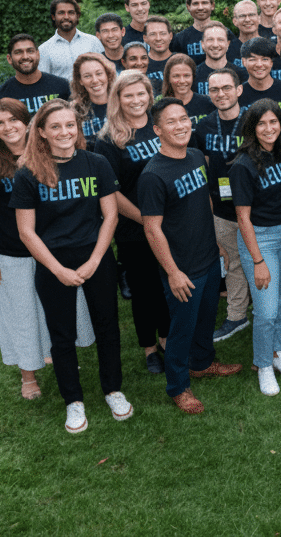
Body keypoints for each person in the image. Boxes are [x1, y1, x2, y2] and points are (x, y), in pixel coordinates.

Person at [12, 99, 127, 433]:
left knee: (107, 326)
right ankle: (73, 401)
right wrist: (57, 270)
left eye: (70, 125)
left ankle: (113, 389)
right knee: (61, 336)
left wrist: (95, 259)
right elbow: (26, 232)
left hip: (97, 257)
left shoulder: (97, 162)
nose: (64, 132)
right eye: (56, 127)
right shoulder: (29, 173)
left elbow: (111, 216)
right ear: (43, 133)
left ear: (78, 128)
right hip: (53, 263)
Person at [0, 99, 95, 401]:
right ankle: (28, 374)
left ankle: (59, 355)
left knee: (60, 310)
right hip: (15, 255)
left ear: (29, 123)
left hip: (55, 251)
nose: (8, 127)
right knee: (23, 315)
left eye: (13, 120)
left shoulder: (53, 157)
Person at [140, 98, 243, 415]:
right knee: (180, 331)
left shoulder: (197, 156)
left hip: (209, 258)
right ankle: (178, 387)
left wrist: (216, 243)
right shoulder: (153, 175)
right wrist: (172, 272)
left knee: (205, 319)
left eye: (184, 118)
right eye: (171, 121)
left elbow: (204, 205)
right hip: (183, 268)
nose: (181, 125)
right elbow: (152, 229)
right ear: (157, 130)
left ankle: (202, 364)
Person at [94, 72, 170, 374]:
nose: (136, 101)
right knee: (143, 289)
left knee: (166, 283)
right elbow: (111, 191)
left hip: (168, 222)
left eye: (141, 94)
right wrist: (146, 220)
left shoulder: (159, 125)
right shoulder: (109, 140)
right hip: (134, 227)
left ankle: (167, 338)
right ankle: (149, 348)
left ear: (149, 95)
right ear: (118, 99)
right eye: (129, 95)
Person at [230, 99, 281, 396]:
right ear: (252, 128)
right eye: (261, 123)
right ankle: (262, 365)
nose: (269, 128)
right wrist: (258, 260)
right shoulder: (243, 165)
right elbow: (243, 218)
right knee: (265, 310)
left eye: (273, 122)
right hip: (260, 239)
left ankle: (278, 353)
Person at [190, 68, 251, 344]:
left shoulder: (256, 119)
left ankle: (266, 310)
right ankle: (237, 315)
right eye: (214, 90)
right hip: (222, 208)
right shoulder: (203, 126)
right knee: (234, 261)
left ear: (239, 90)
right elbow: (203, 167)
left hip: (256, 208)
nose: (221, 94)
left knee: (262, 260)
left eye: (226, 88)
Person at [0, 34, 71, 114]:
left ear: (38, 55)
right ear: (9, 59)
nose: (25, 56)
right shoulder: (0, 96)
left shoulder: (62, 86)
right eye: (18, 52)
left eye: (30, 51)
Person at [238, 37, 281, 123]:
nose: (259, 64)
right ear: (243, 62)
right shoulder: (238, 94)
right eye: (253, 59)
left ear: (271, 62)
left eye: (265, 59)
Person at [38, 0, 101, 79]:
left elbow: (104, 71)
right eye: (61, 13)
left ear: (77, 16)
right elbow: (44, 81)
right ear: (53, 17)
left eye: (71, 12)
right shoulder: (44, 50)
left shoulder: (93, 42)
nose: (66, 17)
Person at [70, 53, 116, 142]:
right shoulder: (74, 110)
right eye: (87, 76)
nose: (95, 80)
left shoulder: (122, 103)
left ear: (107, 74)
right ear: (80, 80)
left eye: (99, 73)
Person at [193, 22, 246, 96]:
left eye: (220, 40)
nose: (215, 45)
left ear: (227, 44)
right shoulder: (193, 75)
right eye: (210, 40)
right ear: (202, 44)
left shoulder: (242, 75)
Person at [159, 54, 213, 125]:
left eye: (187, 76)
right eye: (176, 76)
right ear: (168, 78)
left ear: (193, 77)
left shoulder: (208, 103)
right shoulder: (161, 108)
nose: (182, 81)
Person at [172, 0, 216, 64]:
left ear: (212, 6)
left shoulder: (225, 34)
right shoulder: (180, 39)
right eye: (195, 3)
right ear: (188, 7)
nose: (200, 7)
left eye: (204, 3)